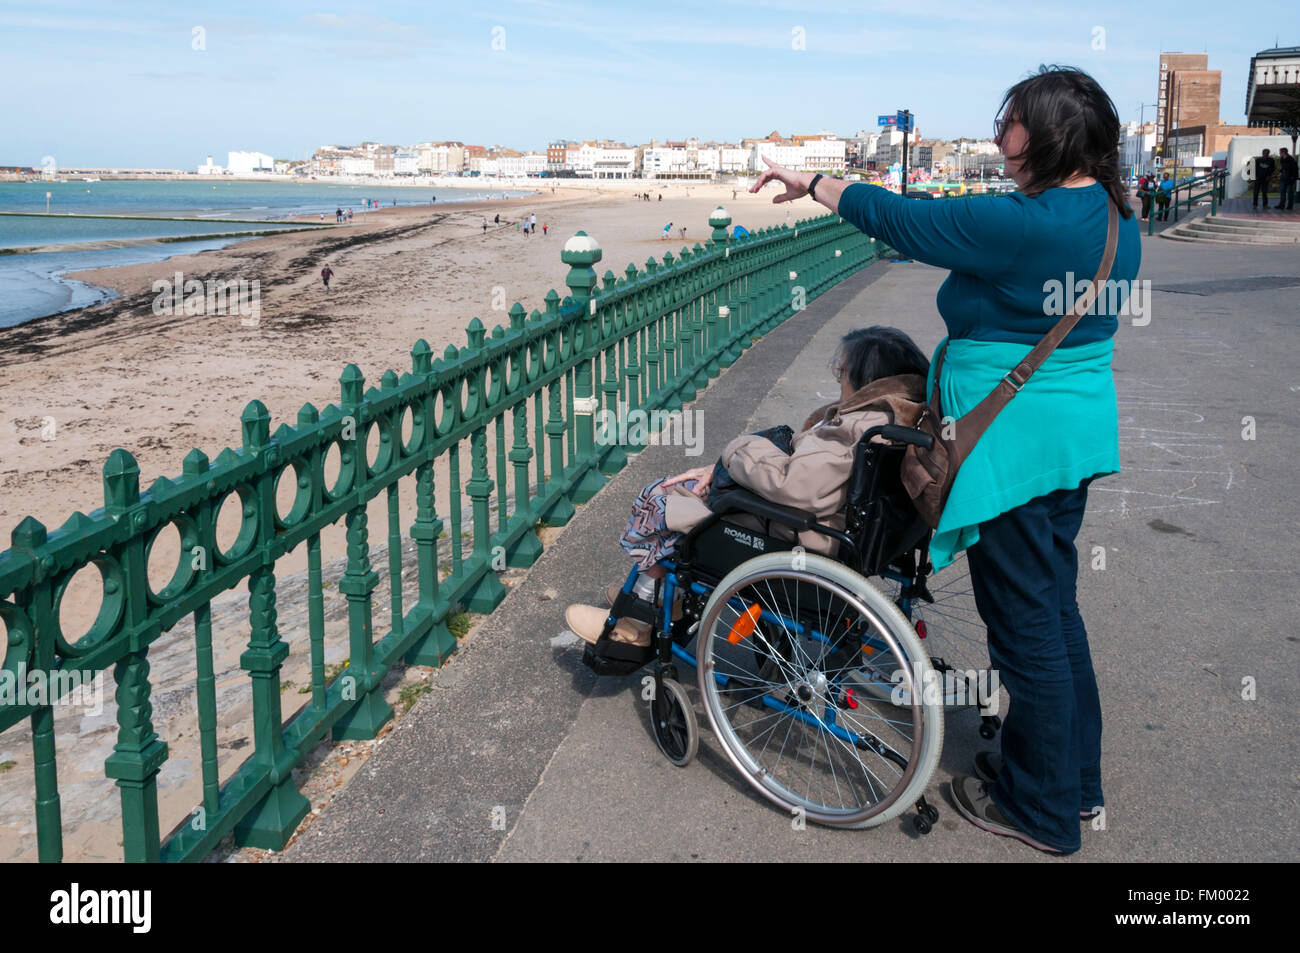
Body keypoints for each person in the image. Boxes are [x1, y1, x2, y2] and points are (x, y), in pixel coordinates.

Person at [750, 65, 1140, 856]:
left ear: (1052, 134)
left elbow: (911, 224)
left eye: (1012, 124)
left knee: (1025, 624)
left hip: (1014, 448)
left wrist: (816, 180)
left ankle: (1041, 808)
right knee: (1055, 612)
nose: (1001, 138)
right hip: (1072, 433)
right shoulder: (1111, 213)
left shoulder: (1028, 225)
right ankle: (1072, 780)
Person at [564, 327, 928, 644]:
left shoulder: (855, 427)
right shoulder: (899, 416)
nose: (838, 380)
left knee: (663, 496)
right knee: (696, 487)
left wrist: (737, 448)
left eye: (842, 371)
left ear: (868, 379)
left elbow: (794, 486)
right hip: (837, 531)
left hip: (801, 537)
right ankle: (655, 592)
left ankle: (640, 618)